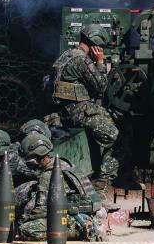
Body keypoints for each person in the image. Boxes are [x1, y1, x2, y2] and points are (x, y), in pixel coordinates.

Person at [50, 24, 119, 196]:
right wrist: (101, 62)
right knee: (114, 134)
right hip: (78, 111)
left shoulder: (66, 55)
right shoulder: (82, 60)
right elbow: (101, 87)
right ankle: (100, 183)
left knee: (105, 120)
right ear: (95, 44)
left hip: (63, 110)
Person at [13, 133, 105, 241]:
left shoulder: (48, 175)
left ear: (37, 158)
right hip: (90, 214)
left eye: (29, 159)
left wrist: (20, 222)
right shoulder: (65, 163)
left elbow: (40, 210)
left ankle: (78, 232)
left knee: (25, 229)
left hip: (72, 219)